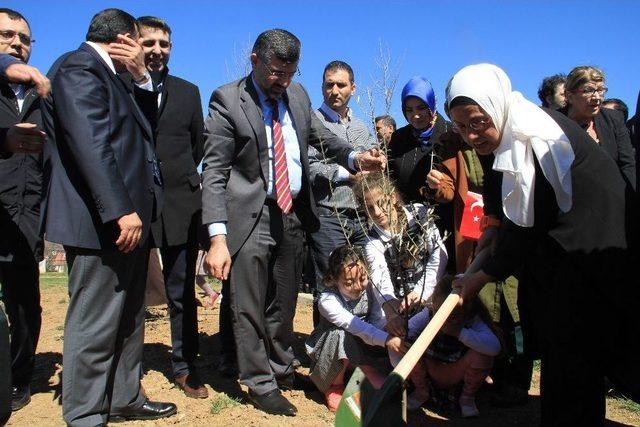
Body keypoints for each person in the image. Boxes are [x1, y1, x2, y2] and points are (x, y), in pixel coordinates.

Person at [202, 28, 385, 416]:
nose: (281, 82)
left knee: (283, 303)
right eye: (274, 72)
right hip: (250, 216)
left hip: (292, 215)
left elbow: (322, 138)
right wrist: (217, 236)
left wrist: (354, 159)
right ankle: (259, 381)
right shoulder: (227, 100)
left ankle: (281, 368)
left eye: (289, 73)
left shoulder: (298, 96)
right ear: (254, 60)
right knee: (248, 303)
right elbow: (215, 170)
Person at [448, 63, 639, 425]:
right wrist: (491, 222)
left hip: (591, 254)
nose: (471, 135)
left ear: (496, 105)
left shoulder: (534, 138)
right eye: (461, 127)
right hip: (561, 256)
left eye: (477, 122)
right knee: (563, 355)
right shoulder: (507, 129)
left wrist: (477, 278)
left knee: (577, 358)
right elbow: (497, 182)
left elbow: (524, 229)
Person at [41, 9, 175, 425]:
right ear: (123, 39)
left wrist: (138, 80)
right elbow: (92, 145)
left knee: (129, 317)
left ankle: (122, 397)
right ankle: (84, 413)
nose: (146, 51)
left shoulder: (118, 79)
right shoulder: (78, 68)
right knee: (94, 321)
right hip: (102, 223)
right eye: (140, 40)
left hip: (131, 222)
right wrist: (120, 210)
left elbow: (142, 133)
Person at [137, 15, 207, 399]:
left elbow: (197, 146)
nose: (157, 51)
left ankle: (184, 366)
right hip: (134, 205)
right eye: (149, 43)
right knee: (131, 292)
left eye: (164, 43)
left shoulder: (188, 91)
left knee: (181, 292)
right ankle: (127, 367)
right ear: (135, 44)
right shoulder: (121, 88)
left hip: (181, 203)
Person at [0, 8, 46, 413]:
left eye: (24, 39)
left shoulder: (41, 95)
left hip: (26, 221)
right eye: (7, 35)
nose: (17, 44)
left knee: (24, 306)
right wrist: (4, 139)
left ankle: (18, 378)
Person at [308, 60, 377, 324]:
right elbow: (310, 168)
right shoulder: (311, 122)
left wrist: (375, 160)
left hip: (361, 217)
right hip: (328, 215)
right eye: (329, 84)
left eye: (341, 84)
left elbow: (371, 162)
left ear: (353, 88)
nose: (334, 90)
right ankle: (327, 352)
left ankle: (359, 350)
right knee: (329, 284)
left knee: (362, 281)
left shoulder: (361, 127)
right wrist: (346, 175)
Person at [305, 245, 404, 412]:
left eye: (362, 278)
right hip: (332, 353)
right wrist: (387, 340)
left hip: (361, 346)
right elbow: (355, 325)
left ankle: (363, 372)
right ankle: (335, 386)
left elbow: (375, 319)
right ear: (334, 280)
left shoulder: (370, 288)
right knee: (340, 333)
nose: (358, 286)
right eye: (349, 283)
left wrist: (390, 329)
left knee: (380, 330)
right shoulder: (327, 300)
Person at [353, 172, 447, 315]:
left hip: (431, 295)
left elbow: (439, 254)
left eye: (380, 203)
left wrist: (420, 291)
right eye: (370, 208)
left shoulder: (418, 214)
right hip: (400, 306)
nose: (377, 212)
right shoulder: (372, 242)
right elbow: (381, 279)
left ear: (392, 197)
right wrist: (392, 307)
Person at [418, 275, 500, 417]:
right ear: (434, 306)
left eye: (453, 316)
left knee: (483, 357)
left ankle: (467, 398)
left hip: (458, 376)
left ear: (466, 309)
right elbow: (406, 331)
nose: (446, 320)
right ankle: (421, 391)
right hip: (431, 372)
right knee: (404, 344)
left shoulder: (472, 319)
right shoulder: (428, 314)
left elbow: (494, 347)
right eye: (440, 313)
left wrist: (458, 333)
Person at [562, 66, 636, 191]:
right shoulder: (555, 122)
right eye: (588, 90)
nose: (597, 97)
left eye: (601, 90)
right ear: (569, 96)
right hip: (570, 200)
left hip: (611, 199)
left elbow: (627, 165)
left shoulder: (613, 119)